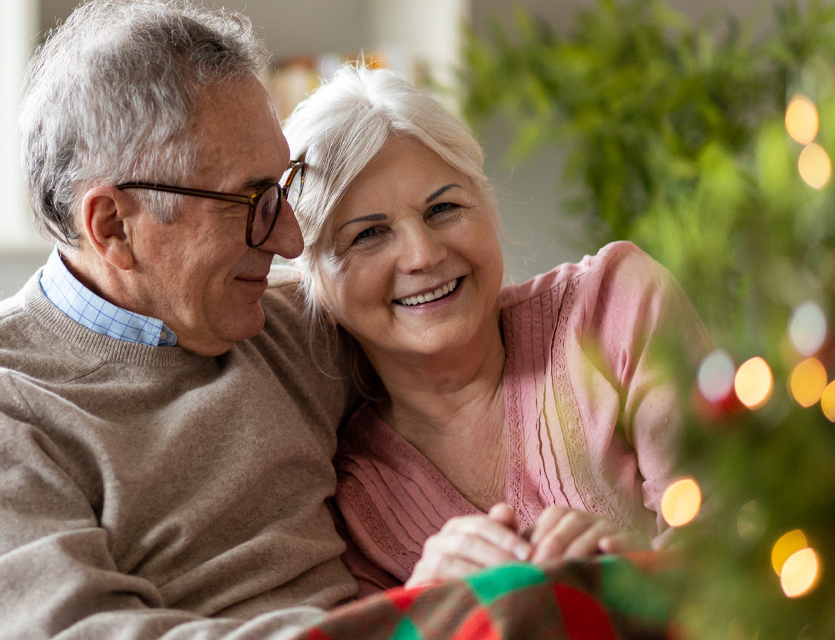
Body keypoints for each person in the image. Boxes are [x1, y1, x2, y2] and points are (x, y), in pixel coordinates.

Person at [0, 1, 360, 637]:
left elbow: (503, 340)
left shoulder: (294, 326)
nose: (291, 241)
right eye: (253, 201)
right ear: (113, 227)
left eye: (285, 187)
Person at [281, 66, 708, 595]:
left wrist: (631, 573)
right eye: (369, 234)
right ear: (316, 286)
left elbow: (749, 540)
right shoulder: (348, 500)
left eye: (444, 208)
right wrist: (426, 605)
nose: (423, 254)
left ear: (488, 207)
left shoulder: (614, 307)